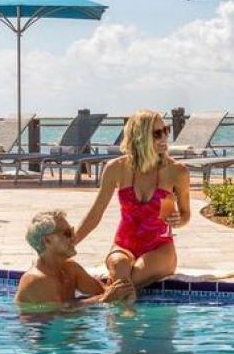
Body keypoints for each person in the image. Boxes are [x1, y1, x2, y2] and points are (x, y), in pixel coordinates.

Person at [74, 109, 191, 296]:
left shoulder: (177, 172)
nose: (164, 137)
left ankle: (92, 307)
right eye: (157, 133)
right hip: (123, 245)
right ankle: (118, 315)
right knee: (120, 269)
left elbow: (186, 215)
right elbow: (96, 213)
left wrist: (179, 220)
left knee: (129, 280)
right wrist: (70, 244)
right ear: (139, 137)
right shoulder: (116, 168)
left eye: (166, 130)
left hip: (159, 248)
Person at [14, 210, 130, 310]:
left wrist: (123, 292)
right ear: (47, 241)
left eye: (72, 231)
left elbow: (104, 291)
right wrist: (103, 300)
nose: (74, 237)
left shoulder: (70, 268)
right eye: (67, 233)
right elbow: (59, 316)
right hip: (40, 331)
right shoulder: (36, 279)